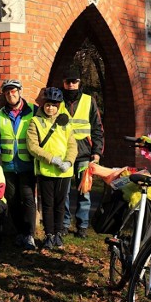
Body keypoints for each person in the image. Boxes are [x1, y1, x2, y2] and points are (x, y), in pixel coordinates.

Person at [0, 79, 38, 250]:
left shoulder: (33, 111)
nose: (11, 94)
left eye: (14, 91)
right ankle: (19, 233)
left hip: (27, 164)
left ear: (20, 91)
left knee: (28, 198)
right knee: (13, 199)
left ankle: (29, 234)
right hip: (8, 164)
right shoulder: (0, 114)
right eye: (7, 92)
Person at [26, 87, 77, 250]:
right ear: (43, 105)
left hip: (64, 171)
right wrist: (52, 159)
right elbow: (32, 146)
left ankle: (58, 234)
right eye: (48, 105)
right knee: (47, 204)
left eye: (54, 105)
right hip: (46, 169)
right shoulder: (35, 121)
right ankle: (49, 234)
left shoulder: (65, 121)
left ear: (59, 106)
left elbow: (72, 144)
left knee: (60, 204)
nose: (50, 108)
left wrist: (69, 161)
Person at [59, 66, 104, 239]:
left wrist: (97, 151)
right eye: (67, 81)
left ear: (79, 82)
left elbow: (97, 128)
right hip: (64, 153)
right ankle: (64, 224)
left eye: (74, 81)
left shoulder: (89, 100)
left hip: (85, 153)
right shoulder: (57, 101)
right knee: (64, 191)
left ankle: (82, 226)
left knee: (84, 191)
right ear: (64, 83)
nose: (70, 84)